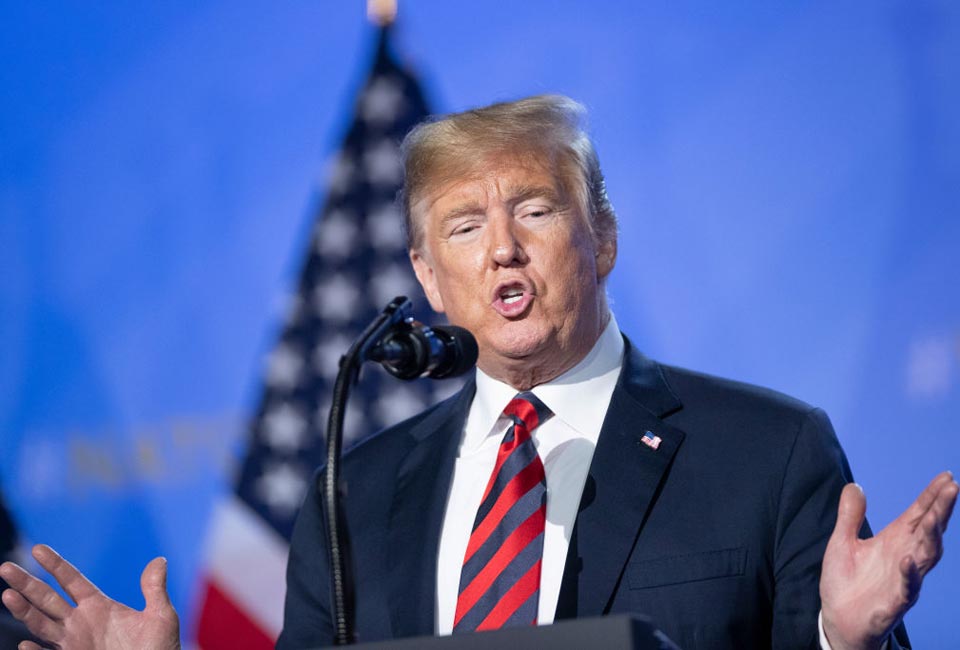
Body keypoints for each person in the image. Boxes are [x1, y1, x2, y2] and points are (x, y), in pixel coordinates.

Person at [1, 96, 956, 650]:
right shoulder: (355, 496)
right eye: (464, 227)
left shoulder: (769, 453)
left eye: (535, 211)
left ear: (604, 238)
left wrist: (842, 638)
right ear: (429, 278)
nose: (501, 250)